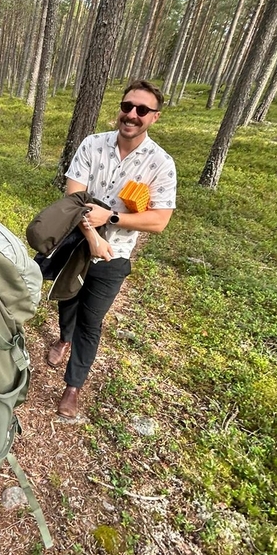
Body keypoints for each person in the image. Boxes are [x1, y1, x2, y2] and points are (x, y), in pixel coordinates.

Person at [48, 81, 177, 418]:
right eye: (127, 106)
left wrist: (113, 217)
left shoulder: (161, 163)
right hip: (77, 244)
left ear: (154, 118)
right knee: (67, 299)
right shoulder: (93, 145)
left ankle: (73, 387)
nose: (131, 115)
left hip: (114, 257)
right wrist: (93, 237)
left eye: (142, 110)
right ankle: (64, 338)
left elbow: (160, 220)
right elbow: (73, 199)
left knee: (91, 322)